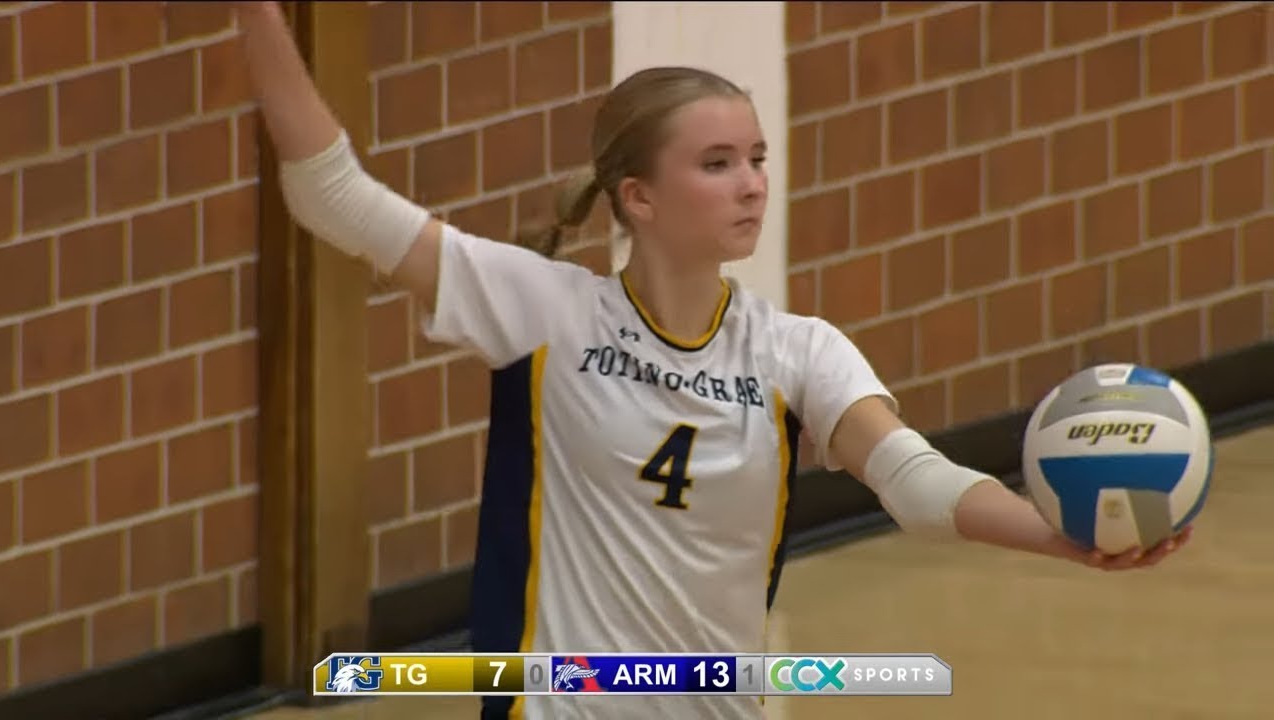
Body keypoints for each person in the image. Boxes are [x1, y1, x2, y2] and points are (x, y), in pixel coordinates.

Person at [234, 3, 1191, 718]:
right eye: (719, 163)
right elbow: (334, 198)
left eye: (758, 158)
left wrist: (1054, 534)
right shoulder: (543, 314)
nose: (752, 186)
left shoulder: (795, 351)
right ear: (639, 197)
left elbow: (917, 482)